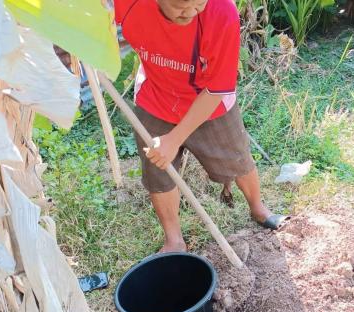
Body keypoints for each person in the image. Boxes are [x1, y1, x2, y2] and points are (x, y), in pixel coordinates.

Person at [114, 0, 288, 252]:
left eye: (199, 3)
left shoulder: (221, 12)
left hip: (209, 102)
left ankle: (259, 209)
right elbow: (96, 18)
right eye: (181, 6)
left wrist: (173, 140)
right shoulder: (128, 3)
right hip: (156, 95)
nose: (193, 12)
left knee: (237, 158)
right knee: (157, 172)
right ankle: (174, 240)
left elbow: (217, 87)